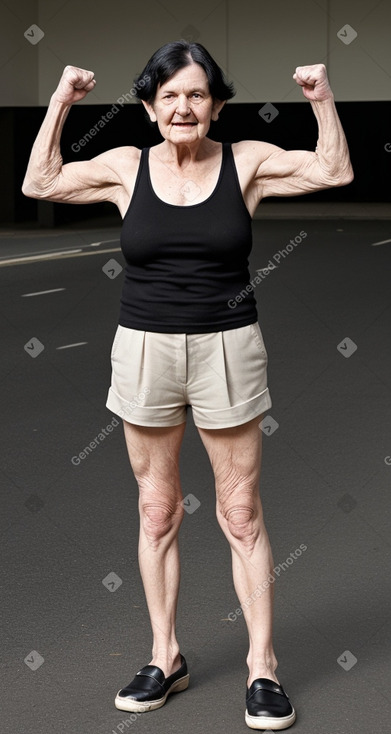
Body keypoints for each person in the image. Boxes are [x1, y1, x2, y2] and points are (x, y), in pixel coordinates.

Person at [22, 40, 353, 730]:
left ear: (217, 105)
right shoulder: (123, 166)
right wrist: (61, 101)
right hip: (143, 349)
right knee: (156, 511)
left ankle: (262, 666)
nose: (183, 106)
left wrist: (319, 98)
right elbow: (40, 184)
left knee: (239, 512)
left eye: (197, 94)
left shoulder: (246, 160)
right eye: (168, 95)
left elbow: (332, 169)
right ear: (147, 107)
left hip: (227, 348)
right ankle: (163, 655)